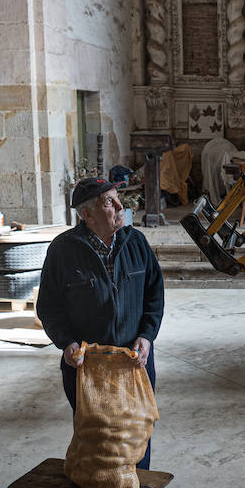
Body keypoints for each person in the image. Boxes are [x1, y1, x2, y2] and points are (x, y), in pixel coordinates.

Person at [37, 177, 165, 469]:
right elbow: (49, 307)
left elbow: (154, 293)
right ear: (88, 214)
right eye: (110, 202)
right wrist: (67, 343)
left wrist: (147, 335)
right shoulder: (63, 250)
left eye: (118, 199)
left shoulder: (136, 242)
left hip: (133, 360)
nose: (121, 206)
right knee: (97, 437)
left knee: (137, 432)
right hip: (88, 366)